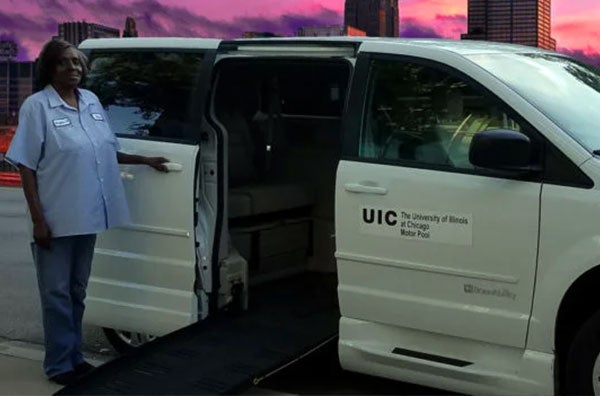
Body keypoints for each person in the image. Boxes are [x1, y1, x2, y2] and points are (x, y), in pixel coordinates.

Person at [5, 39, 168, 386]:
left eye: (78, 63)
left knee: (77, 292)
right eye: (65, 63)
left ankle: (75, 358)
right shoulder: (38, 106)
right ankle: (59, 365)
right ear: (50, 68)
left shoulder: (91, 101)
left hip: (89, 215)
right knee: (56, 294)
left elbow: (108, 149)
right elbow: (26, 165)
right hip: (56, 218)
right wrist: (38, 220)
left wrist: (145, 160)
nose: (74, 68)